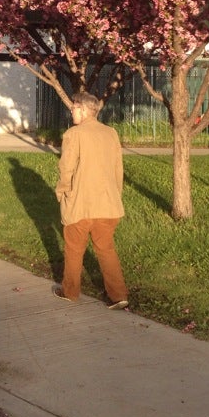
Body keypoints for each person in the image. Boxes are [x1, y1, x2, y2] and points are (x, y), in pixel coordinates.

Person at [53, 92, 129, 310]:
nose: (71, 111)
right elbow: (118, 169)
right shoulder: (111, 133)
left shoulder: (73, 134)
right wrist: (115, 195)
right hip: (108, 204)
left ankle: (70, 291)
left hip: (81, 204)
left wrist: (61, 193)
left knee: (74, 249)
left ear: (85, 110)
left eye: (74, 107)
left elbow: (66, 169)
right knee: (106, 249)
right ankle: (118, 295)